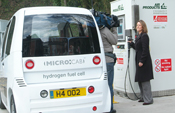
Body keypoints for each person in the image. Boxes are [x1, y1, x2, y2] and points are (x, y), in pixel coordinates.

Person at [128, 20, 154, 105]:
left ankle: (148, 99)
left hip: (144, 62)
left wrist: (142, 61)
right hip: (139, 61)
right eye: (137, 25)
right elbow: (137, 47)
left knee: (145, 80)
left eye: (139, 25)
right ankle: (143, 97)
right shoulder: (139, 36)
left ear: (143, 27)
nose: (138, 26)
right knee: (140, 80)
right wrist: (132, 44)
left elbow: (145, 50)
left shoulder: (144, 36)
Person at [100, 25, 118, 113]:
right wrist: (114, 29)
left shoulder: (93, 29)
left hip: (99, 60)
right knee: (109, 85)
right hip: (108, 60)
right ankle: (110, 108)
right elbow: (115, 41)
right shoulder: (104, 30)